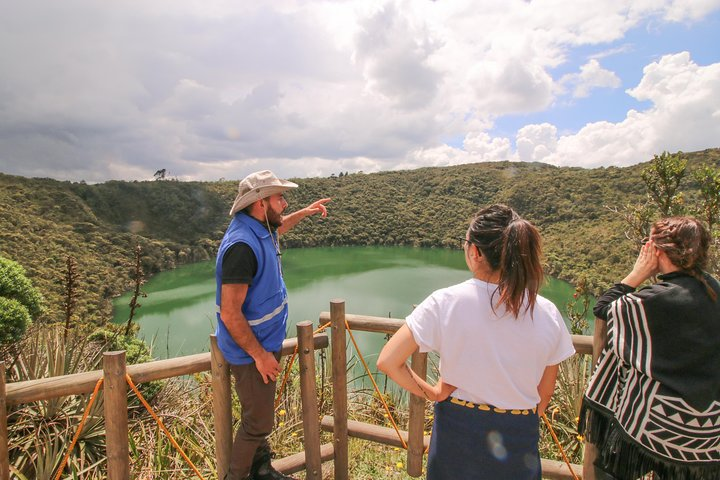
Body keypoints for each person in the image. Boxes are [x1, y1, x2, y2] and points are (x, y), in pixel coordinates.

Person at [377, 204, 575, 479]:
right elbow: (543, 397)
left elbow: (388, 361)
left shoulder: (445, 302)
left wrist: (432, 393)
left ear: (475, 252)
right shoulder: (547, 311)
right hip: (519, 437)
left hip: (457, 434)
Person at [580, 216, 720, 480]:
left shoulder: (656, 299)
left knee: (608, 460)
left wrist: (636, 274)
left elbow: (605, 308)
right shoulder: (713, 290)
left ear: (657, 251)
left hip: (660, 424)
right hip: (709, 432)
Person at [215, 170, 330, 480]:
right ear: (260, 203)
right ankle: (238, 476)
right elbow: (230, 313)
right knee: (257, 423)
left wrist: (304, 214)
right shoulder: (241, 246)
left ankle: (261, 470)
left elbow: (282, 227)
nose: (285, 202)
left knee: (259, 415)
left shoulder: (261, 227)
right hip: (250, 351)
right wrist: (260, 355)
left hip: (263, 344)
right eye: (279, 198)